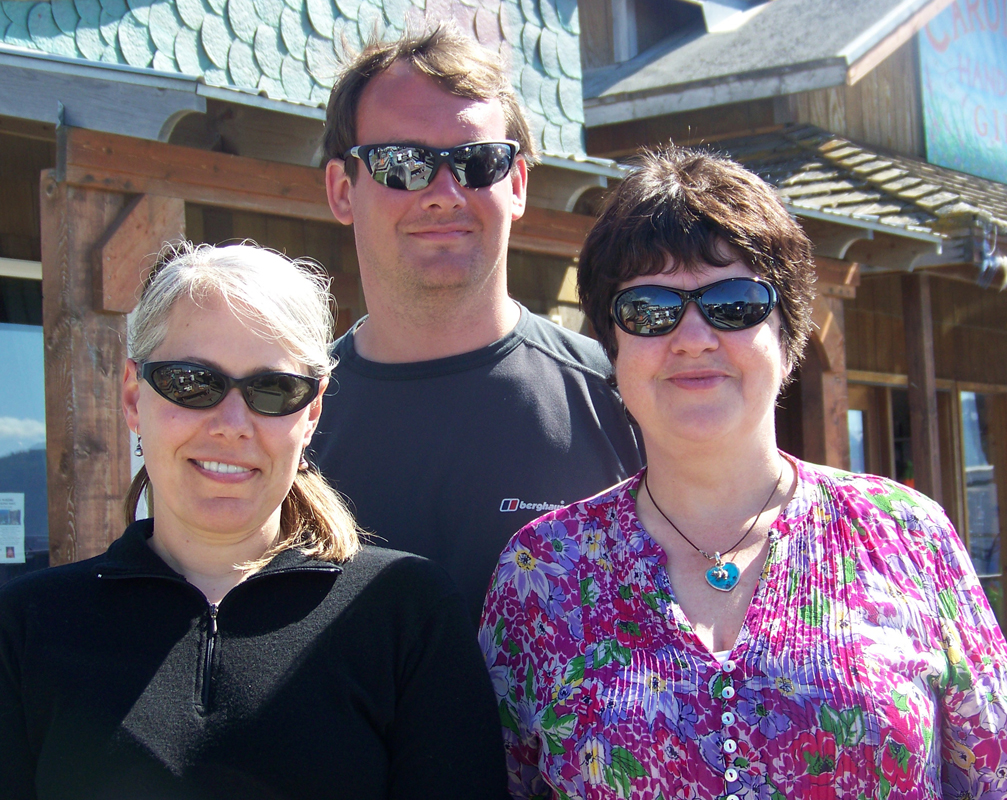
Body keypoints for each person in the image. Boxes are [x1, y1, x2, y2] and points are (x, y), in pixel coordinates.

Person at [480, 147, 1007, 799]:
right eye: (648, 308)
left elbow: (990, 775)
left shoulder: (907, 536)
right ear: (611, 346)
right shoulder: (542, 576)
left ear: (787, 337)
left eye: (733, 303)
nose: (694, 336)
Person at [0, 242, 508, 799]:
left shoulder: (403, 611)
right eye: (193, 382)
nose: (232, 424)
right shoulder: (27, 627)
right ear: (131, 396)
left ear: (311, 412)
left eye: (273, 390)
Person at [315, 27, 642, 621]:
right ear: (342, 190)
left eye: (476, 162)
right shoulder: (284, 419)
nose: (444, 193)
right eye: (403, 163)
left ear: (515, 184)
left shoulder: (622, 399)